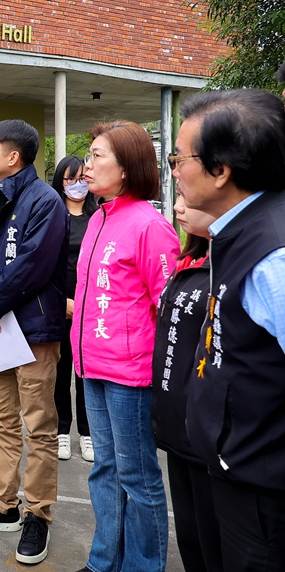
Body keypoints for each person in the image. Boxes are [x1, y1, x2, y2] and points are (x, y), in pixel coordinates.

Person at [172, 88, 285, 571]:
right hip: (229, 466)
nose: (174, 169)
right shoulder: (235, 231)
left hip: (262, 490)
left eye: (180, 158)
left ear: (221, 171)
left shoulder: (274, 256)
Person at [0, 119, 69, 566]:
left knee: (39, 425)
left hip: (33, 330)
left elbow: (34, 267)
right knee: (0, 418)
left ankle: (38, 513)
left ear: (13, 157)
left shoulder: (45, 201)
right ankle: (3, 502)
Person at [70, 120, 180, 572]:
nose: (86, 165)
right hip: (91, 366)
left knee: (137, 477)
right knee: (104, 471)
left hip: (130, 376)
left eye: (98, 156)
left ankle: (142, 565)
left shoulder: (151, 226)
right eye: (89, 155)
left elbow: (168, 308)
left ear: (128, 167)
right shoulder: (99, 217)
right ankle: (104, 562)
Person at [151, 192, 221, 572]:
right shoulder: (189, 261)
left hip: (207, 430)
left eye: (186, 199)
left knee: (215, 539)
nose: (178, 207)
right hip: (177, 422)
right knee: (191, 534)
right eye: (177, 198)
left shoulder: (228, 265)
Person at [50, 155, 97, 462]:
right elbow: (43, 266)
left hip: (91, 307)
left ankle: (88, 433)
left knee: (86, 372)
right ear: (60, 182)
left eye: (82, 178)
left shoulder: (98, 215)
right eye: (70, 179)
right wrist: (61, 301)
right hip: (59, 305)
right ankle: (62, 431)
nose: (77, 184)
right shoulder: (52, 215)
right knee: (59, 369)